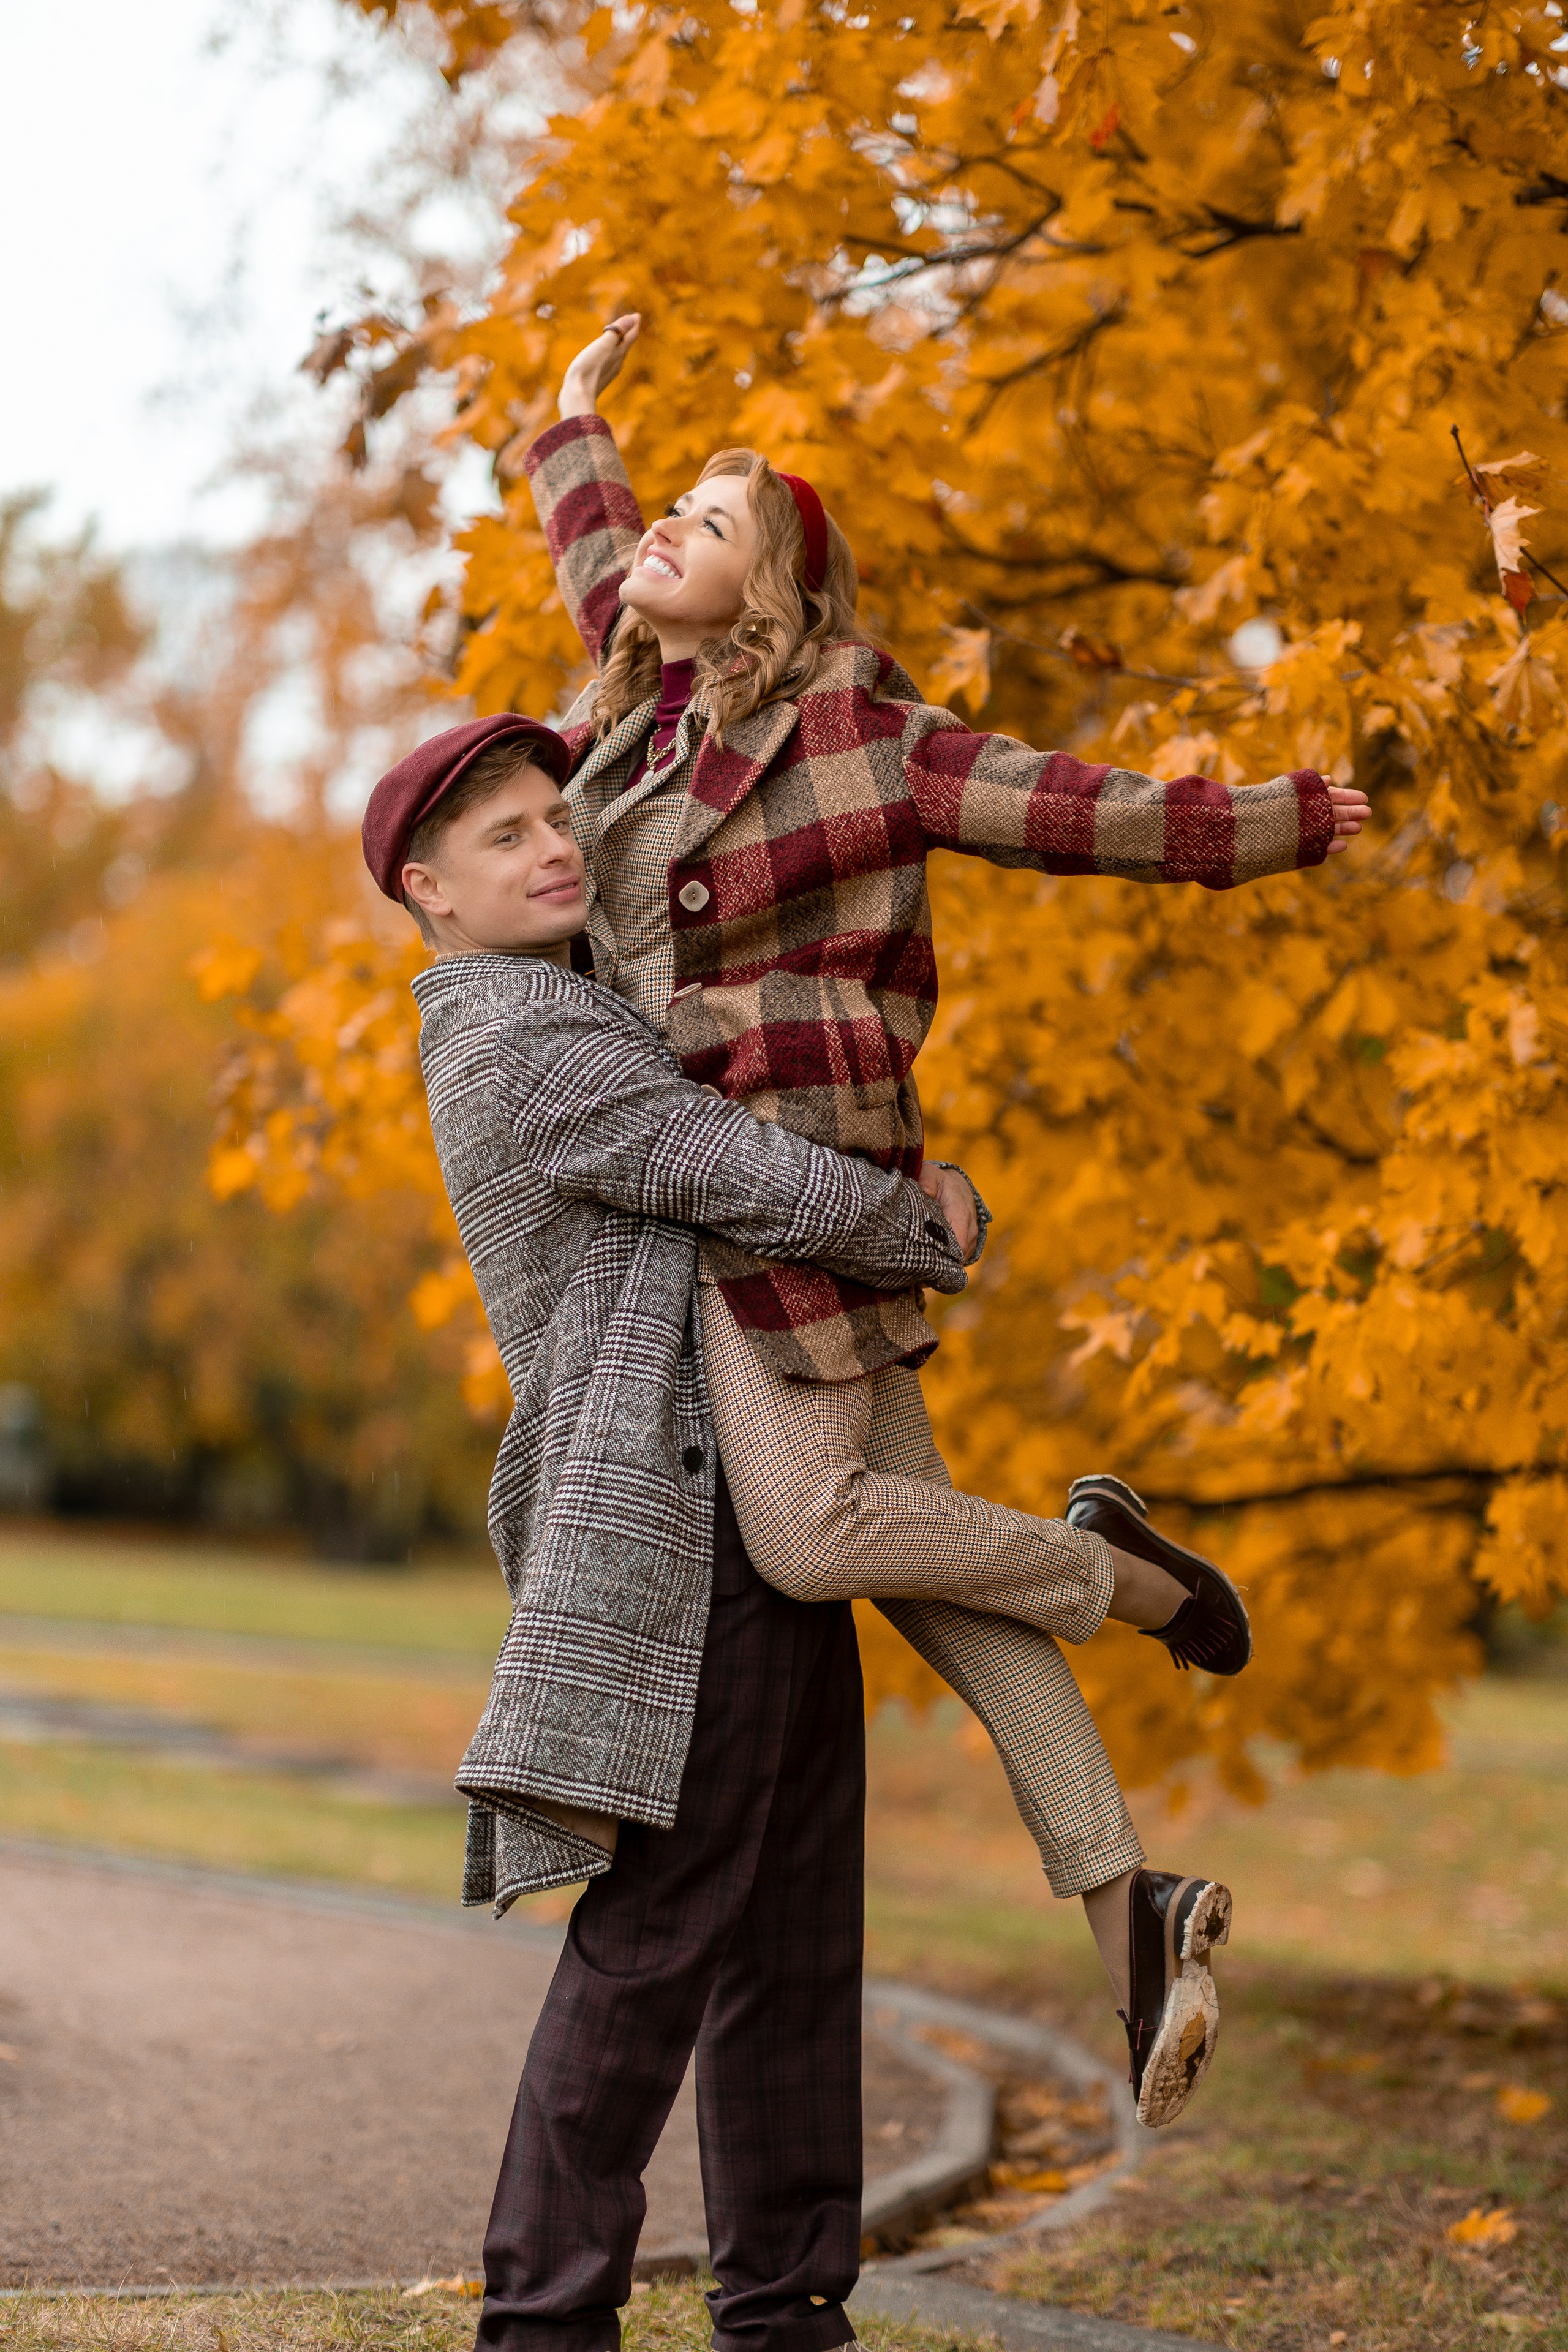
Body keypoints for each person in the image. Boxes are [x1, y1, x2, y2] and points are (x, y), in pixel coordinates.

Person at [518, 311, 1367, 2043]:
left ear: (780, 598)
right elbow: (608, 550)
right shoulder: (630, 707)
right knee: (920, 1567)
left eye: (719, 520)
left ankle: (1131, 1581)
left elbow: (1077, 805)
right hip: (685, 1195)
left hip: (801, 1179)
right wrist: (575, 421)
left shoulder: (858, 726)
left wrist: (1257, 823)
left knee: (819, 1534)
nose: (670, 528)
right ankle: (1135, 1909)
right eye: (672, 507)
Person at [361, 718, 1248, 2352]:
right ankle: (545, 2321)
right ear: (431, 895)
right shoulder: (513, 1035)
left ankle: (786, 2308)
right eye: (504, 840)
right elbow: (734, 1171)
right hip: (673, 1526)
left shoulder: (581, 993)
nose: (553, 845)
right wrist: (933, 1221)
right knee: (659, 1943)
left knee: (790, 1937)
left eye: (558, 817)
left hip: (738, 1479)